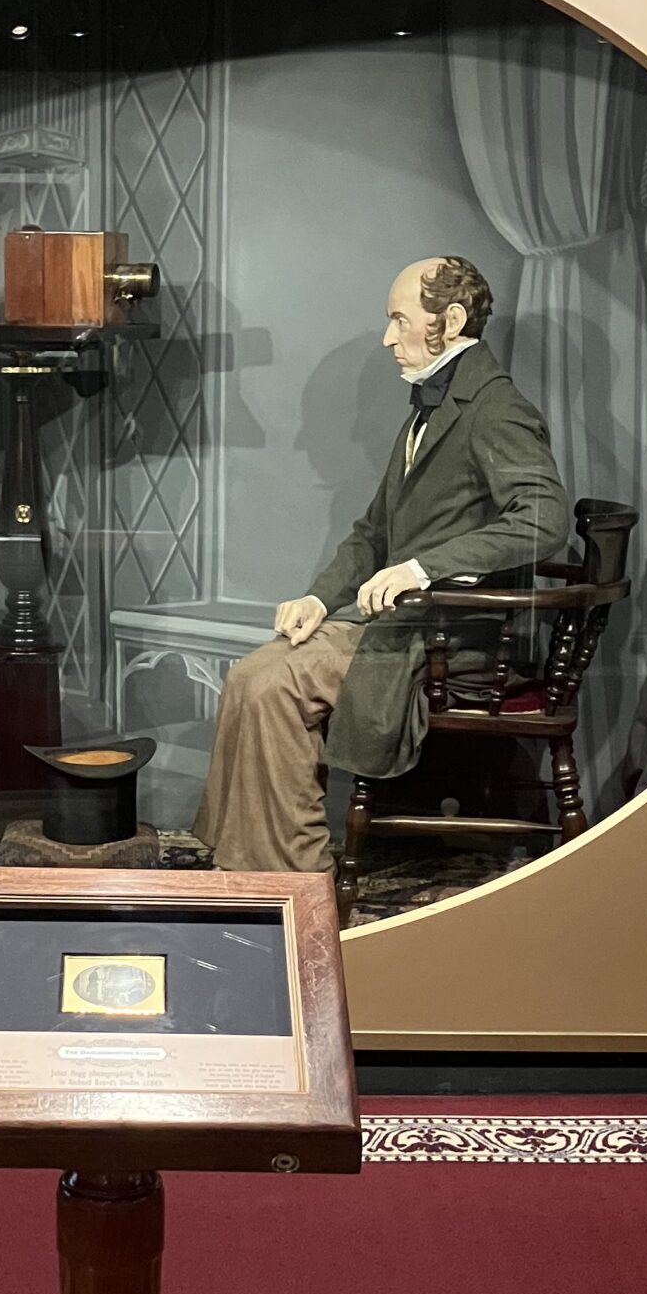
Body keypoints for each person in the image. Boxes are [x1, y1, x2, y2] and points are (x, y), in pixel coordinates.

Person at [194, 255, 570, 873]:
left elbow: (543, 518)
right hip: (405, 627)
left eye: (400, 320)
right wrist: (319, 599)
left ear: (451, 321)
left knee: (275, 686)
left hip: (451, 639)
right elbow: (373, 532)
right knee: (248, 674)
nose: (388, 338)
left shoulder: (494, 408)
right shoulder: (430, 408)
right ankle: (242, 862)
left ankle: (293, 874)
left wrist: (422, 568)